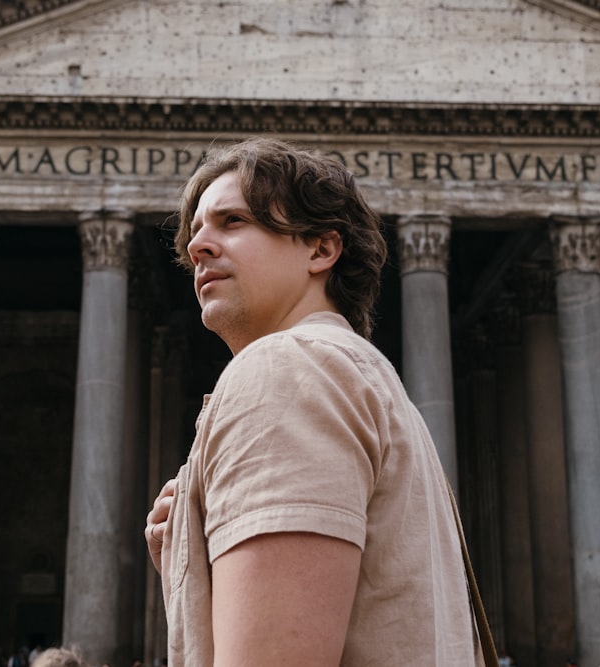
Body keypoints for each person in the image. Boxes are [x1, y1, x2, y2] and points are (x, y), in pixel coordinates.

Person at [144, 136, 485, 665]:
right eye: (196, 231)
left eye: (233, 221)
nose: (197, 246)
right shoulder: (368, 383)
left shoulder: (287, 369)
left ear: (321, 249)